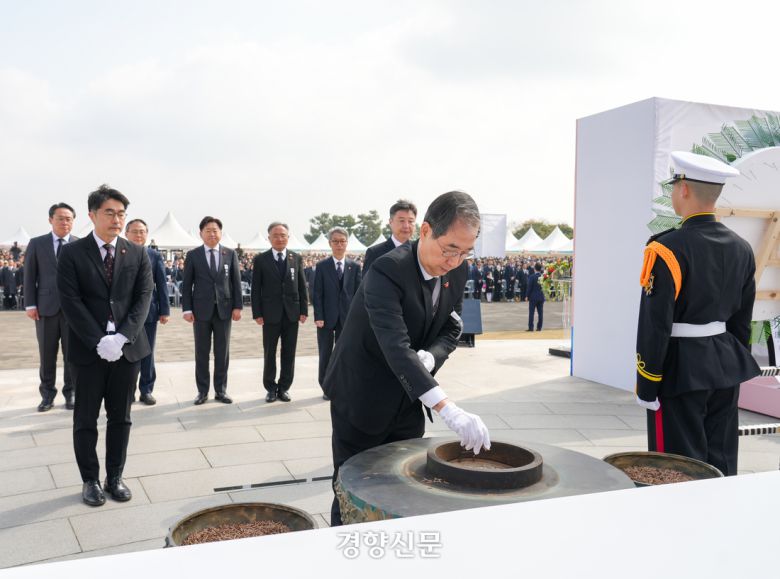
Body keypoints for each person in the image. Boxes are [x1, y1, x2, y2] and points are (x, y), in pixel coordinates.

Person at [324, 191, 491, 526]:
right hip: (362, 393)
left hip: (408, 396)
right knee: (353, 487)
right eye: (449, 249)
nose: (454, 261)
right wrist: (447, 408)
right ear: (425, 230)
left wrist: (431, 356)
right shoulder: (387, 270)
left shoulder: (457, 271)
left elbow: (452, 327)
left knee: (404, 484)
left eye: (465, 252)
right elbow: (395, 346)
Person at [636, 151, 760, 476]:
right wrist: (730, 365)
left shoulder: (666, 249)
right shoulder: (741, 247)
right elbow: (741, 321)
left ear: (684, 189)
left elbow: (655, 325)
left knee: (677, 468)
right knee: (721, 460)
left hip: (680, 371)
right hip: (724, 366)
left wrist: (647, 385)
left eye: (674, 186)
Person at [56, 184, 153, 506]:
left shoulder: (137, 252)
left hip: (127, 350)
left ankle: (115, 477)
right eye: (110, 213)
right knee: (85, 419)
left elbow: (143, 297)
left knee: (121, 416)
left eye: (121, 214)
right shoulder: (71, 253)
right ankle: (90, 480)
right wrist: (100, 341)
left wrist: (122, 337)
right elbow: (70, 301)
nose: (116, 219)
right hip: (88, 351)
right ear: (92, 215)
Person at [181, 216, 243, 405]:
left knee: (222, 352)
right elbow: (187, 284)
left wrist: (238, 306)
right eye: (208, 230)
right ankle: (202, 391)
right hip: (200, 311)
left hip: (224, 310)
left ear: (221, 233)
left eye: (215, 230)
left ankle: (221, 390)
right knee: (202, 352)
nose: (212, 234)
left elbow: (235, 282)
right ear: (201, 233)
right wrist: (187, 309)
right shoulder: (193, 255)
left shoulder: (229, 254)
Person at [24, 203, 78, 411]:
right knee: (47, 354)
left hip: (73, 311)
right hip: (45, 308)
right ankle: (47, 395)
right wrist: (30, 304)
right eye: (61, 218)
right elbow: (30, 276)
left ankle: (70, 393)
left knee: (72, 354)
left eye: (69, 219)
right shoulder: (37, 244)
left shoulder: (79, 244)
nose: (65, 222)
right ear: (50, 220)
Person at [251, 222, 308, 403]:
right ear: (269, 238)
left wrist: (304, 310)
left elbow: (301, 285)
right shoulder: (261, 259)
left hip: (292, 312)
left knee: (289, 352)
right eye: (276, 235)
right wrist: (257, 313)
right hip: (270, 313)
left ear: (288, 237)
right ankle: (270, 387)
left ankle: (284, 387)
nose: (280, 238)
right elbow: (255, 289)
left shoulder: (295, 258)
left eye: (283, 235)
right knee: (270, 352)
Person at [312, 227, 362, 400]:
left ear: (347, 243)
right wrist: (318, 316)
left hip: (347, 318)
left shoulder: (354, 267)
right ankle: (326, 387)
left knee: (345, 353)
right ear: (330, 243)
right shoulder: (322, 266)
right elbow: (316, 293)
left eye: (342, 241)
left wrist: (357, 318)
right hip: (326, 318)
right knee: (325, 354)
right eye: (336, 241)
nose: (339, 244)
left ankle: (342, 386)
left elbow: (358, 294)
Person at [125, 219, 170, 405]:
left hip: (149, 313)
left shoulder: (153, 255)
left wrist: (165, 310)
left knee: (147, 353)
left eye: (142, 232)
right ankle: (128, 390)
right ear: (126, 234)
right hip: (124, 314)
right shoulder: (119, 253)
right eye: (134, 231)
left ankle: (146, 389)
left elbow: (161, 284)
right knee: (126, 353)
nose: (138, 235)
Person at [362, 199, 417, 273]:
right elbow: (366, 284)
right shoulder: (375, 253)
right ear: (390, 222)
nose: (406, 226)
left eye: (410, 221)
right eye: (401, 221)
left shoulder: (420, 251)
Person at [526, 262, 544, 331]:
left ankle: (531, 328)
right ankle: (539, 327)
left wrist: (527, 296)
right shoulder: (543, 277)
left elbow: (529, 287)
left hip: (533, 297)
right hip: (541, 297)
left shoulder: (532, 277)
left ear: (534, 269)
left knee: (531, 313)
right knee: (540, 313)